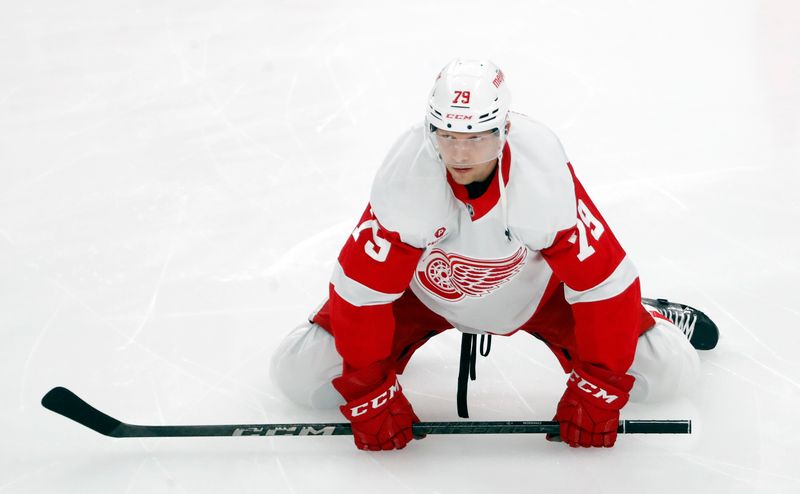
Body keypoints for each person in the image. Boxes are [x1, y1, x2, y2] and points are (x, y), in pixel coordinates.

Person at [270, 59, 718, 451]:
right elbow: (361, 296)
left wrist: (599, 388)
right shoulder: (405, 179)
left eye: (478, 137)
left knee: (667, 375)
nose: (460, 153)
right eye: (447, 136)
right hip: (422, 295)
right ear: (430, 131)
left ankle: (652, 317)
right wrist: (370, 394)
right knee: (299, 375)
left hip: (534, 296)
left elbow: (603, 285)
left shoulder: (541, 173)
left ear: (504, 130)